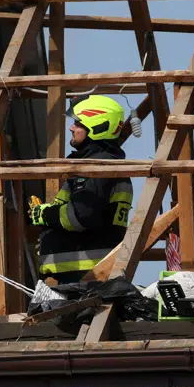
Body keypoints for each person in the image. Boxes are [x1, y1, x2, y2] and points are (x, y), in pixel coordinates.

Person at [30, 94, 135, 283]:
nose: (71, 127)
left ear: (97, 127)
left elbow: (80, 216)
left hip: (84, 276)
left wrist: (45, 214)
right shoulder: (105, 164)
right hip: (82, 276)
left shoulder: (97, 167)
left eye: (78, 124)